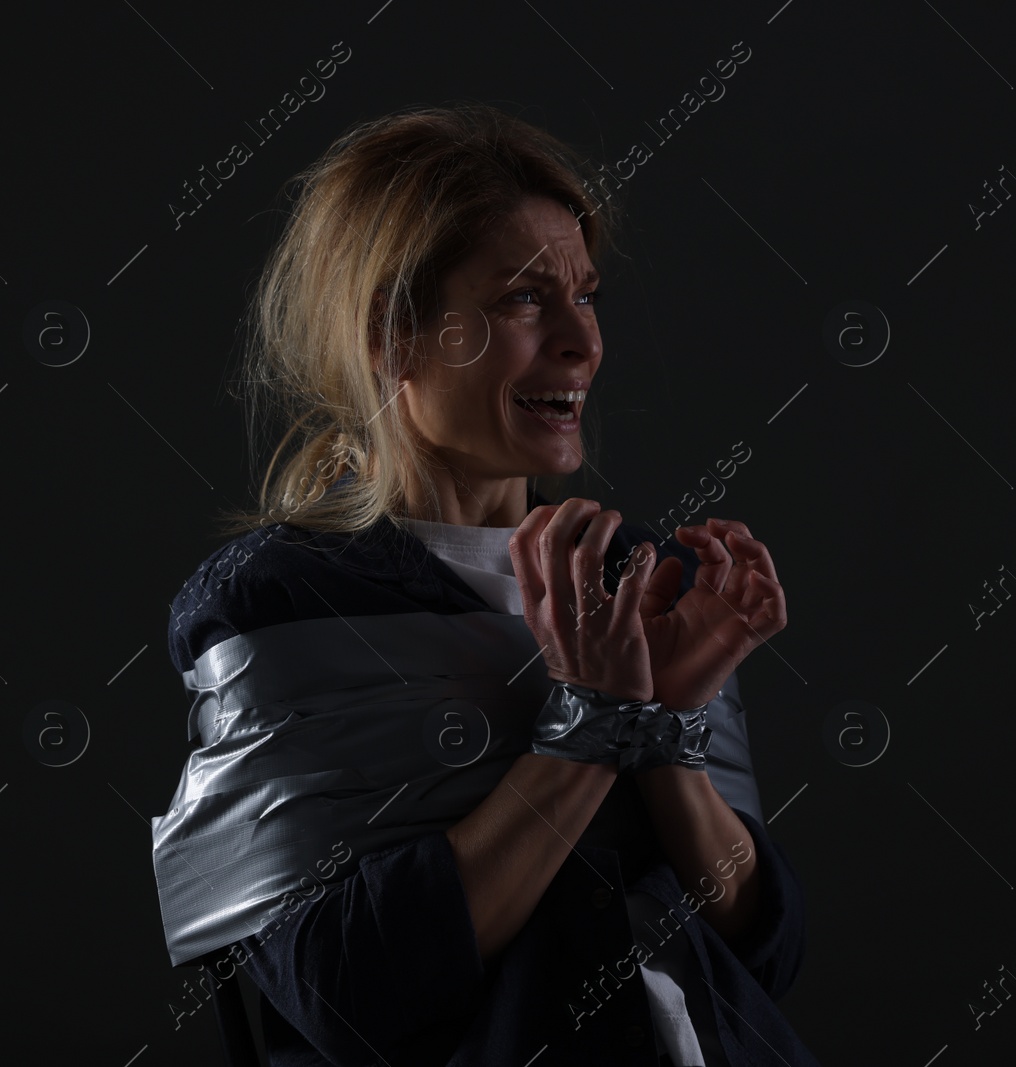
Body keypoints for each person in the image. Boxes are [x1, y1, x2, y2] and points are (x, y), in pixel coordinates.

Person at [149, 103, 822, 1067]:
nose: (582, 343)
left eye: (585, 296)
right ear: (394, 333)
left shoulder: (634, 572)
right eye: (521, 299)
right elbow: (349, 995)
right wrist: (590, 725)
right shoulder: (282, 599)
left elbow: (765, 952)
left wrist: (666, 729)